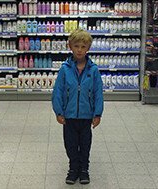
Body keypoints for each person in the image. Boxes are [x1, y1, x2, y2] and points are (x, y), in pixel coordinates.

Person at [52, 29, 104, 185]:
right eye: (76, 46)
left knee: (85, 144)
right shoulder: (64, 69)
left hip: (86, 116)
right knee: (70, 144)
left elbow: (98, 93)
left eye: (83, 46)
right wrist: (59, 111)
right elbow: (58, 91)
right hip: (69, 116)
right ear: (70, 47)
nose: (80, 50)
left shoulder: (93, 70)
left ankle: (84, 170)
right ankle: (73, 169)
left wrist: (97, 114)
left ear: (88, 48)